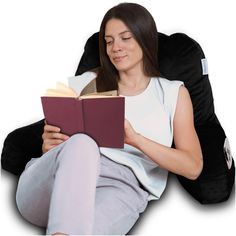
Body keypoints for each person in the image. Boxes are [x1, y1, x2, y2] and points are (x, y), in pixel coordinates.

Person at [15, 2, 203, 235]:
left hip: (121, 186)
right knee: (83, 143)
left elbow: (193, 167)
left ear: (145, 38)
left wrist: (136, 140)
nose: (116, 48)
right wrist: (49, 143)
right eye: (109, 41)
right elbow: (60, 147)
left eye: (125, 38)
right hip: (53, 183)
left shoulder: (173, 93)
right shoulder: (87, 81)